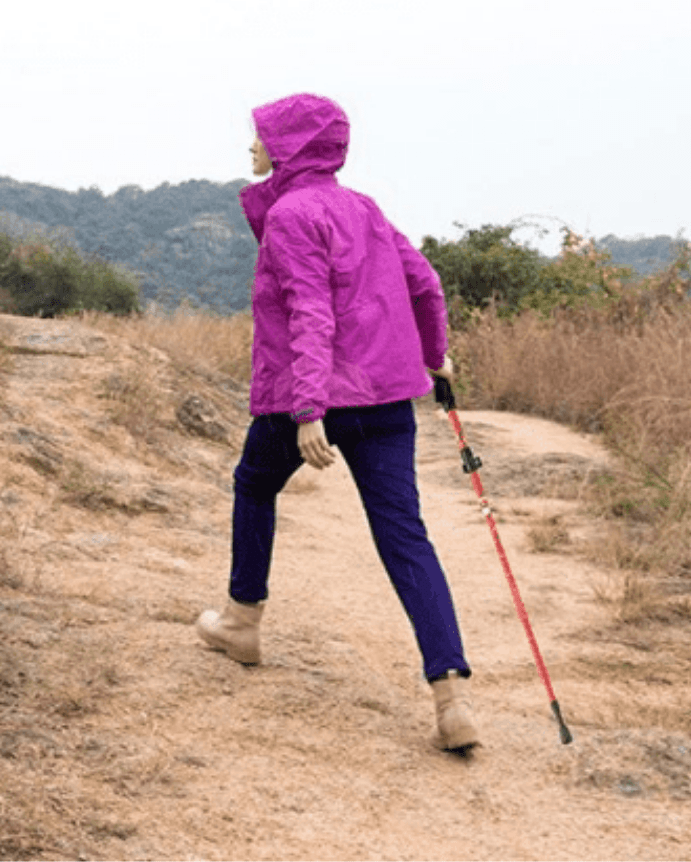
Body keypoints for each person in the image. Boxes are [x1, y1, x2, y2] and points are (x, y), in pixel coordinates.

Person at [196, 93, 480, 752]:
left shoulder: (293, 214)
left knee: (253, 484)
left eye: (261, 136)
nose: (252, 147)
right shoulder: (365, 209)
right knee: (406, 539)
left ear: (289, 146)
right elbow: (427, 285)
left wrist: (308, 409)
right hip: (385, 402)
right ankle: (453, 700)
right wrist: (435, 356)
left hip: (311, 398)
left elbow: (310, 313)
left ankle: (242, 623)